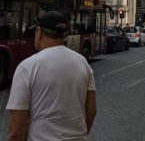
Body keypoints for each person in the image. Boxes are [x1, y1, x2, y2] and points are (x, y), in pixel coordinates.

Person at [6, 11, 96, 141]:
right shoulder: (83, 63)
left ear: (39, 32)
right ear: (63, 35)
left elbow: (15, 132)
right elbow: (91, 111)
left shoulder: (27, 67)